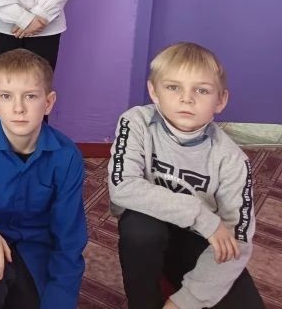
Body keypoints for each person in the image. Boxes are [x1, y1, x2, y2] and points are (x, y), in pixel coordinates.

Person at [108, 42, 265, 309]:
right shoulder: (135, 122)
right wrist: (200, 214)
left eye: (201, 90)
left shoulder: (233, 160)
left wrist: (185, 301)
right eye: (173, 87)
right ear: (153, 91)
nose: (186, 99)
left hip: (198, 239)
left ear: (220, 100)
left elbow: (236, 240)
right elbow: (122, 187)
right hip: (151, 227)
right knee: (140, 229)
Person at [0, 49, 87, 309]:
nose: (18, 108)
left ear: (48, 102)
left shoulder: (67, 157)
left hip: (36, 251)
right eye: (6, 96)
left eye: (30, 96)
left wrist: (58, 302)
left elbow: (69, 239)